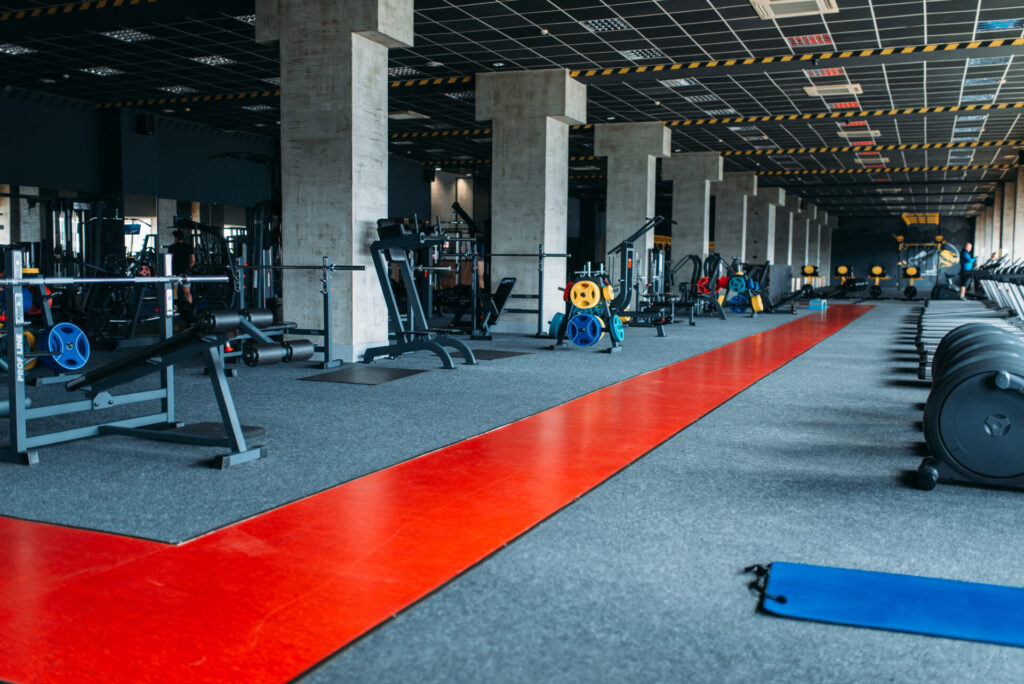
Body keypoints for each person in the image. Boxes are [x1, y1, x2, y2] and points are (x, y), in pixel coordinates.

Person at [168, 228, 196, 308]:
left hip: (175, 271)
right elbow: (193, 260)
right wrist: (188, 268)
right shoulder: (188, 247)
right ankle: (190, 308)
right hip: (185, 272)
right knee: (187, 291)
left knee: (174, 290)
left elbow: (170, 259)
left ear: (176, 238)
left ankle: (175, 308)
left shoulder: (172, 247)